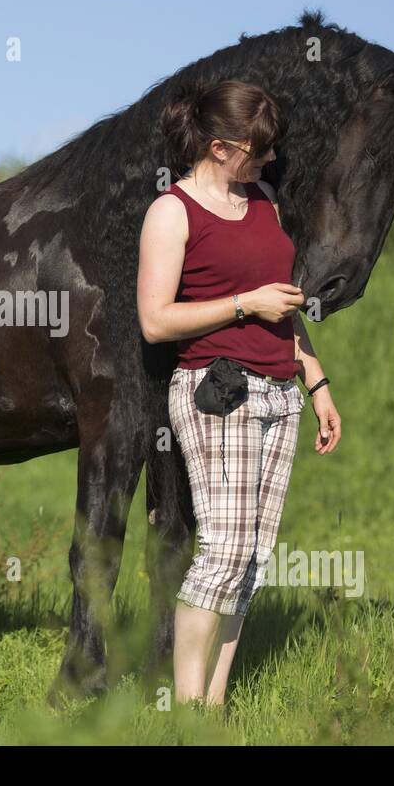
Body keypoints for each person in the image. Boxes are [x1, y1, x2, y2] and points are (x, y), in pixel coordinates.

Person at [136, 78, 343, 706]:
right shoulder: (171, 211)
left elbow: (281, 305)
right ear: (221, 147)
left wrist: (318, 382)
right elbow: (156, 320)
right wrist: (239, 305)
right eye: (259, 151)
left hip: (281, 394)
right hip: (217, 393)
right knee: (221, 551)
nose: (270, 160)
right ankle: (187, 704)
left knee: (251, 558)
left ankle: (215, 705)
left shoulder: (264, 203)